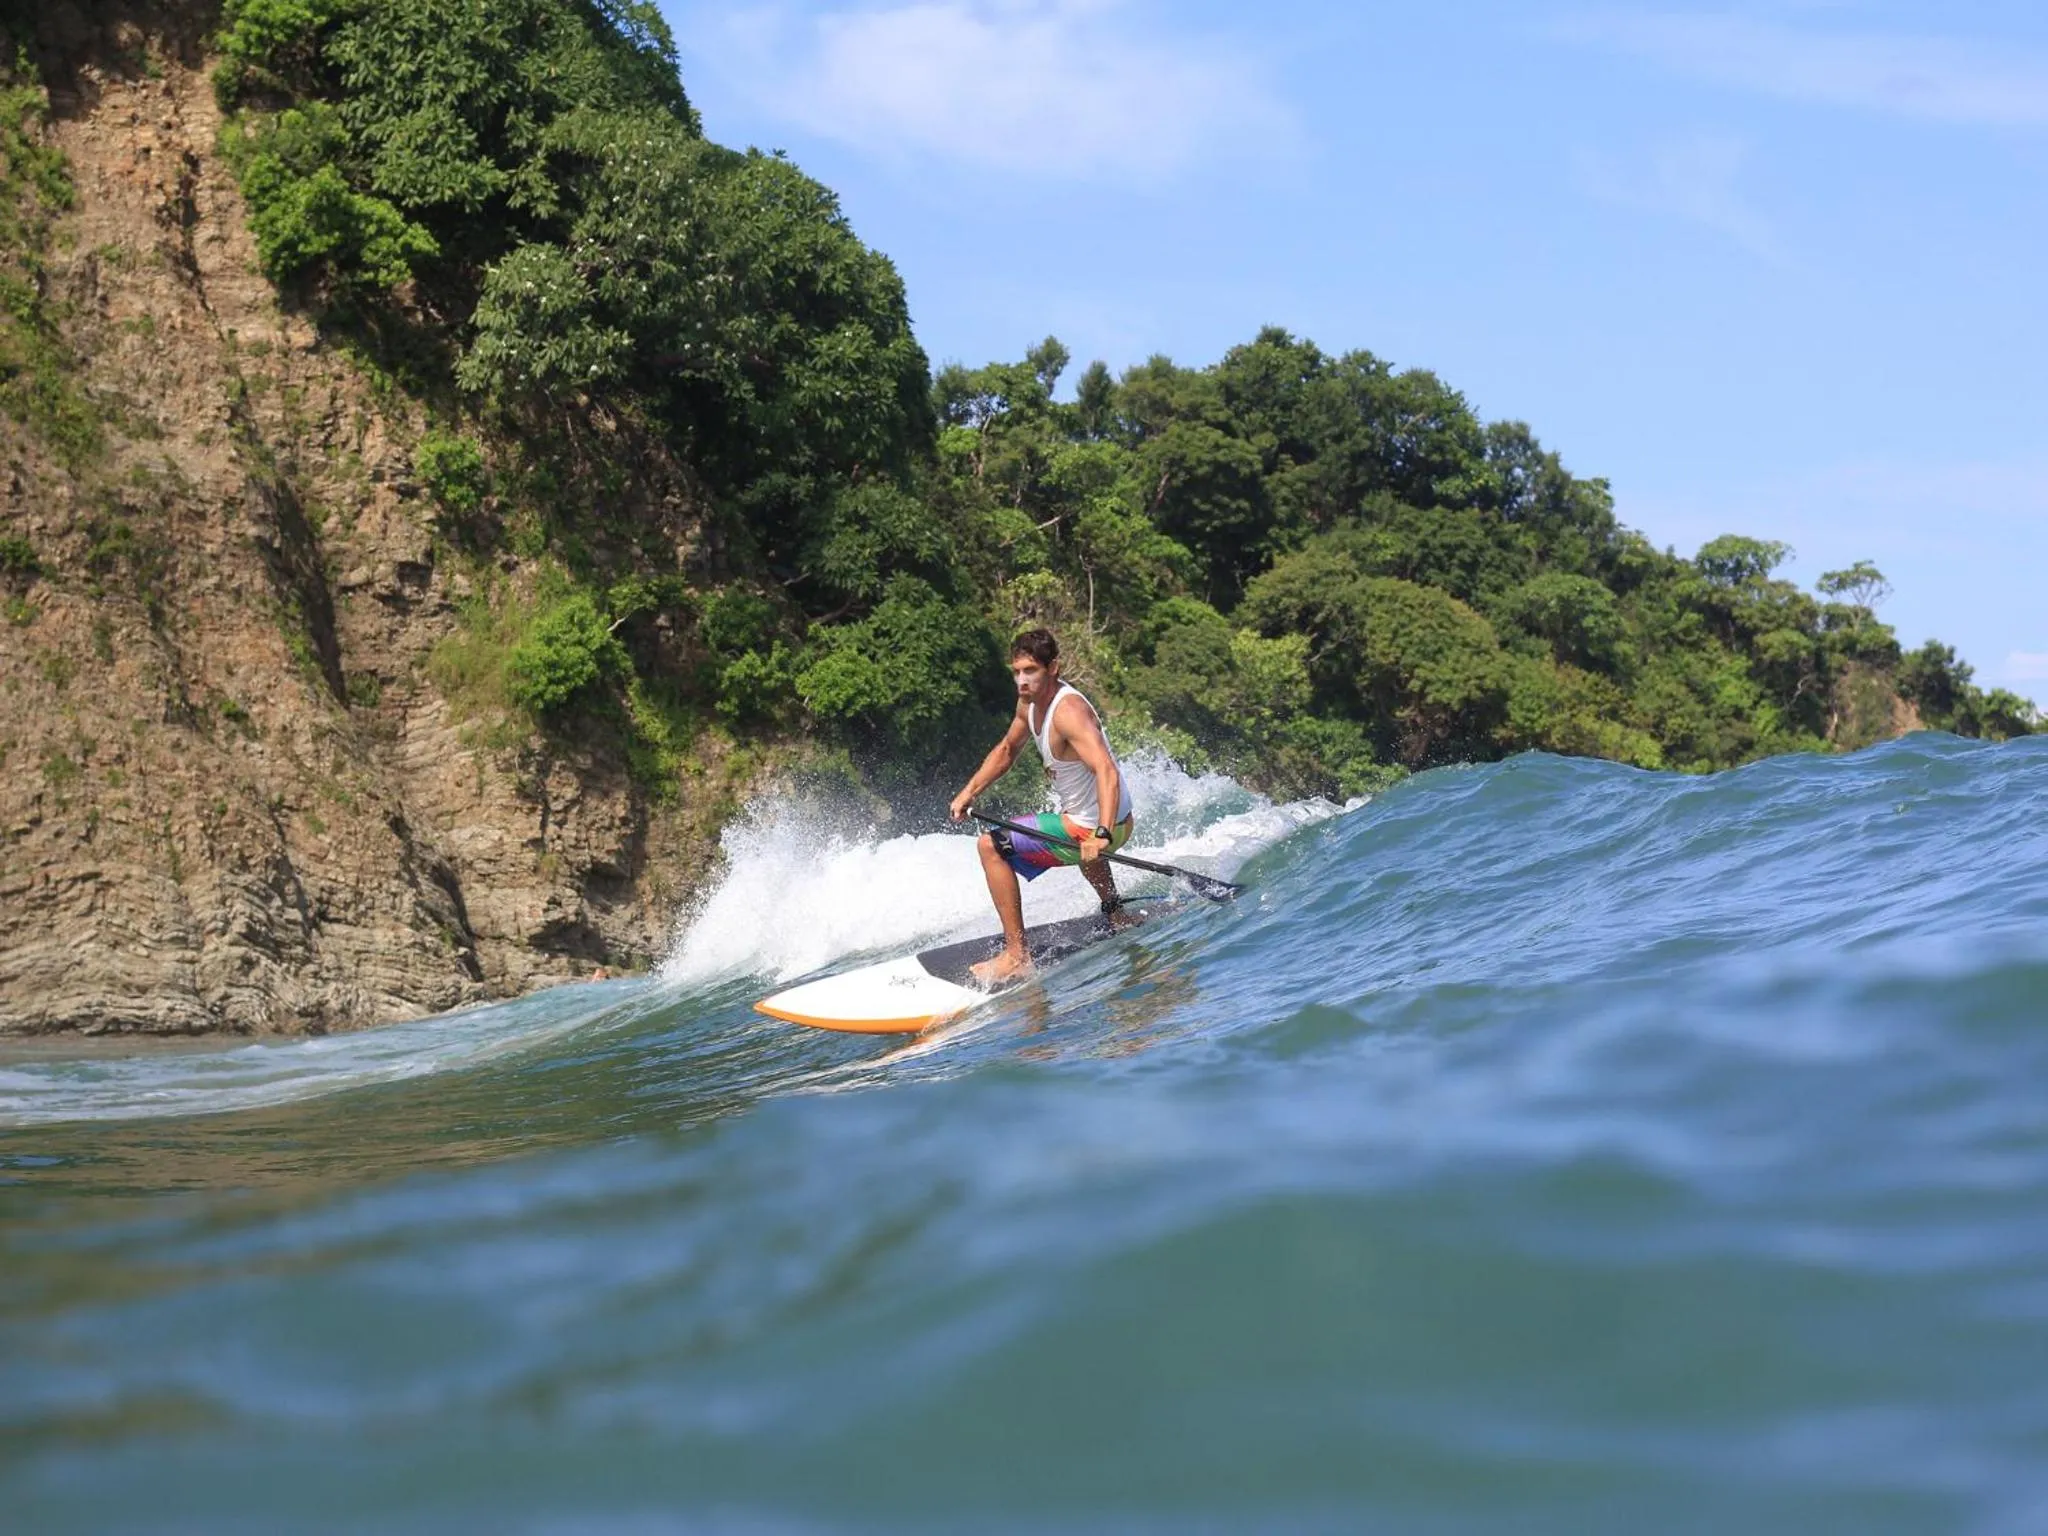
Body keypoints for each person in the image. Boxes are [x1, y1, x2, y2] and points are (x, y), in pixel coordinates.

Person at [949, 628, 1135, 983]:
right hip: (1098, 823)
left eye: (1030, 671)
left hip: (1102, 827)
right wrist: (969, 791)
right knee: (1074, 827)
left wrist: (1102, 834)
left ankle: (1017, 957)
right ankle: (1115, 913)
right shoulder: (1029, 704)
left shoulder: (1068, 712)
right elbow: (1007, 750)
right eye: (1016, 672)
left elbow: (1107, 771)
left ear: (1053, 668)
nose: (1021, 680)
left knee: (990, 846)